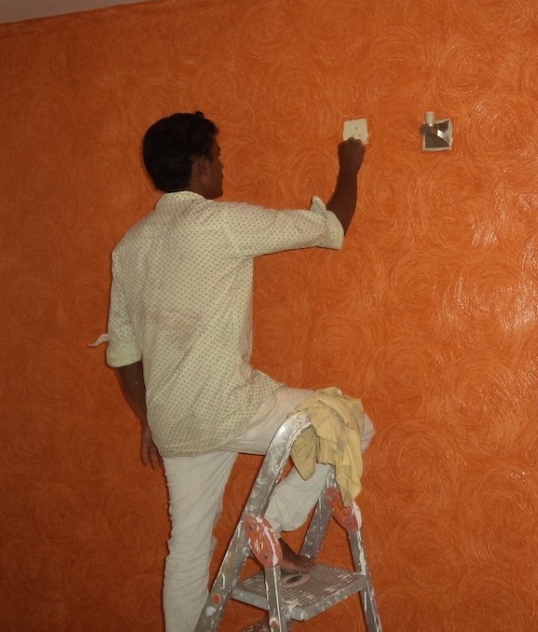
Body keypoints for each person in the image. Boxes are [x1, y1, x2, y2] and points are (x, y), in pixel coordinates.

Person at [104, 111, 374, 632]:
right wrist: (349, 166)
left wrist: (148, 419)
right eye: (219, 157)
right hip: (230, 405)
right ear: (201, 166)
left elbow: (123, 354)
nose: (223, 166)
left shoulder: (130, 246)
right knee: (353, 422)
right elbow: (331, 228)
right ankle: (269, 525)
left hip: (175, 421)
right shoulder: (219, 223)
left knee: (187, 547)